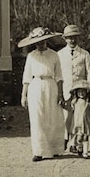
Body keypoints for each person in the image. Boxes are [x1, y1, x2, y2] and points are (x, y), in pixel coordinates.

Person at [19, 27, 66, 162]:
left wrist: (60, 94)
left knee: (52, 117)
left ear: (47, 41)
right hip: (36, 86)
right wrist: (24, 95)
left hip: (51, 85)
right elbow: (27, 77)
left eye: (43, 42)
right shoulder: (31, 56)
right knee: (37, 118)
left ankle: (54, 148)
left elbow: (59, 76)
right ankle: (39, 151)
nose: (40, 44)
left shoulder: (54, 55)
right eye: (37, 42)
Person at [56, 24, 90, 151]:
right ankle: (64, 139)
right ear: (65, 39)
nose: (72, 40)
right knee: (66, 117)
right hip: (66, 89)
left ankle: (75, 143)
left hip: (80, 92)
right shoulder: (60, 55)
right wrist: (59, 92)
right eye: (69, 38)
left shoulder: (84, 54)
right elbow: (57, 74)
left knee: (79, 118)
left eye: (74, 37)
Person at [65, 81, 90, 158]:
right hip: (78, 123)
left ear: (87, 92)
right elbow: (70, 109)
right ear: (76, 93)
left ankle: (85, 153)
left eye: (83, 91)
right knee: (79, 138)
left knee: (85, 137)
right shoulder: (75, 102)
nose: (81, 93)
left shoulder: (89, 102)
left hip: (86, 123)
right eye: (79, 92)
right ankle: (80, 147)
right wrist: (64, 105)